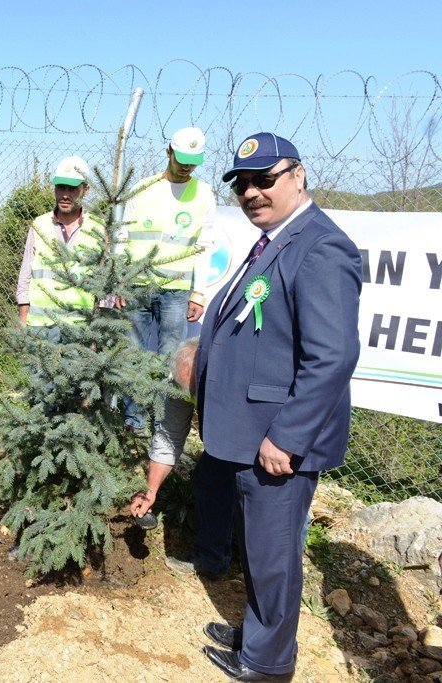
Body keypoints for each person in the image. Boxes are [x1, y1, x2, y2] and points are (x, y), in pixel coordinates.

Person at [196, 132, 361, 681]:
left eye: (264, 180)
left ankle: (266, 663)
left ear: (299, 176)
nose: (251, 193)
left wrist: (287, 437)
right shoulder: (276, 240)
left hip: (278, 441)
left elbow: (333, 356)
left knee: (273, 554)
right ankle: (258, 631)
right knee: (260, 549)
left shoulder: (320, 247)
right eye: (242, 184)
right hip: (252, 432)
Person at [120, 127, 215, 431]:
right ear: (168, 152)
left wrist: (199, 292)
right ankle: (132, 421)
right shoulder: (144, 188)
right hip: (137, 284)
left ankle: (160, 423)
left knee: (169, 358)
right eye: (182, 158)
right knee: (132, 353)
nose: (187, 166)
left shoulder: (204, 194)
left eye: (193, 160)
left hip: (176, 289)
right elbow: (121, 236)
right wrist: (120, 282)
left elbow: (206, 244)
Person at [129, 338, 235, 578]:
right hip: (224, 438)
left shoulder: (234, 373)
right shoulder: (177, 382)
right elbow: (169, 437)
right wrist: (150, 489)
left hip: (271, 433)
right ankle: (212, 560)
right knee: (210, 477)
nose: (192, 397)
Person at [16, 156, 105, 335]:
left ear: (85, 190)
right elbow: (26, 274)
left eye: (72, 189)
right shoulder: (39, 225)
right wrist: (23, 319)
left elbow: (104, 281)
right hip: (40, 325)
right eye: (60, 187)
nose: (65, 195)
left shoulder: (98, 228)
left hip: (80, 327)